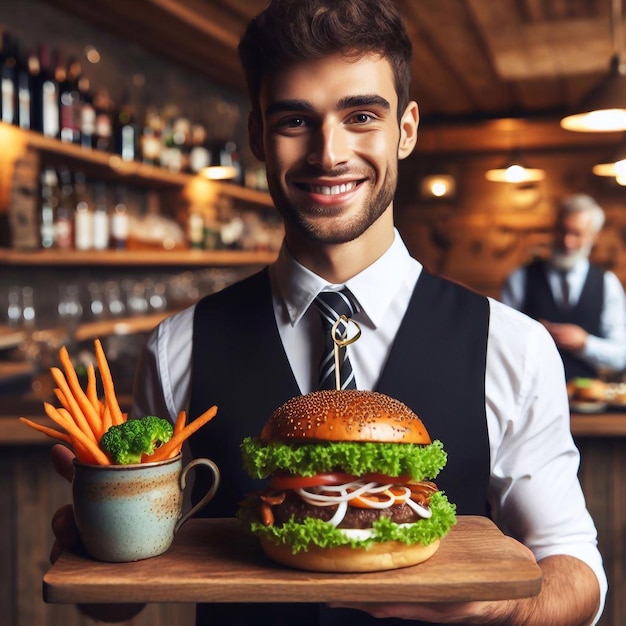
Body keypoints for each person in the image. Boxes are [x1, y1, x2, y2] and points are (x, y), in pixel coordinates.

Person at [51, 0, 606, 624]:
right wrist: (95, 536)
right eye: (295, 120)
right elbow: (117, 603)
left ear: (407, 128)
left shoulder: (514, 345)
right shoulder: (177, 345)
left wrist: (499, 608)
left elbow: (575, 571)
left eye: (362, 115)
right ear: (259, 135)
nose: (328, 153)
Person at [502, 193, 626, 380]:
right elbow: (502, 341)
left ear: (594, 236)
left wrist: (585, 344)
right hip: (530, 395)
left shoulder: (607, 283)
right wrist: (533, 335)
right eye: (562, 231)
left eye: (577, 234)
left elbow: (621, 355)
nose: (567, 242)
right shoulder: (520, 278)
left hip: (586, 399)